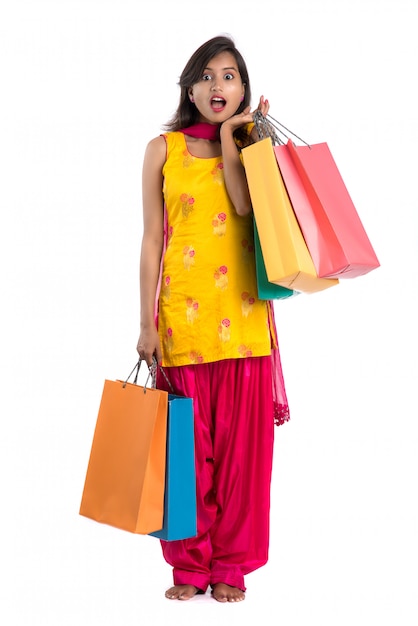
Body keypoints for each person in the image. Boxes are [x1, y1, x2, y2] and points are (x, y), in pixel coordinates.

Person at [136, 34, 289, 603]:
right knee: (184, 453)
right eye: (206, 75)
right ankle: (189, 564)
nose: (216, 86)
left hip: (245, 320)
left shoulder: (251, 145)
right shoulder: (162, 150)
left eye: (228, 76)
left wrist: (237, 140)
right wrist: (146, 322)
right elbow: (153, 240)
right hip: (181, 324)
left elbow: (246, 207)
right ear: (189, 86)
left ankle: (231, 566)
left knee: (243, 457)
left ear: (244, 88)